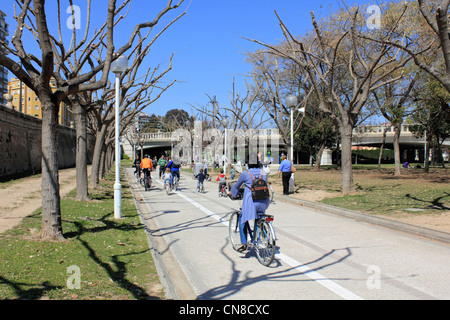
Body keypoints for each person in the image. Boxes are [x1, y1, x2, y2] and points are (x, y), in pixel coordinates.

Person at [228, 159, 270, 252]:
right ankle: (263, 234)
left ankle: (244, 243)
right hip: (264, 201)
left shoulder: (245, 173)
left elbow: (236, 186)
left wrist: (231, 193)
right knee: (259, 217)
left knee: (242, 218)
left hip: (251, 201)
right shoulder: (263, 173)